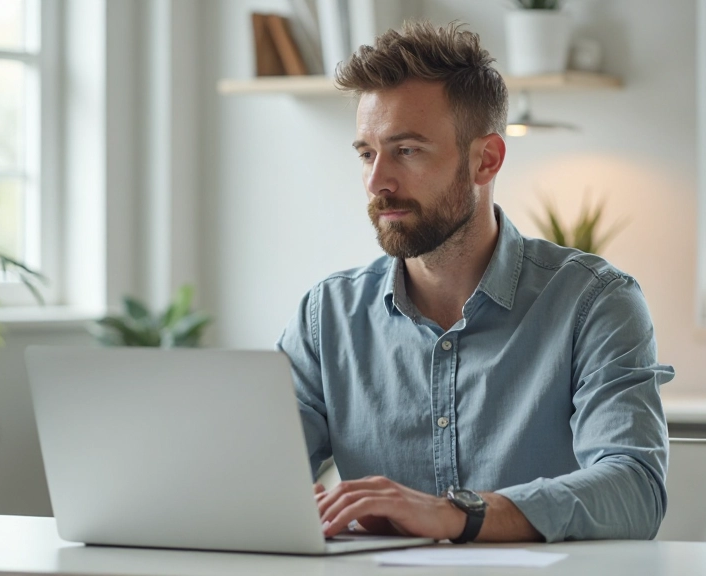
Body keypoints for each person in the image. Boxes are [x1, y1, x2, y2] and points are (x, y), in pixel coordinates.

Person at [275, 21, 675, 544]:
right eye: (367, 153)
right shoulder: (326, 315)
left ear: (486, 159)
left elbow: (635, 489)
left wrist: (461, 513)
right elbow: (251, 482)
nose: (377, 183)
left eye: (408, 150)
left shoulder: (594, 302)